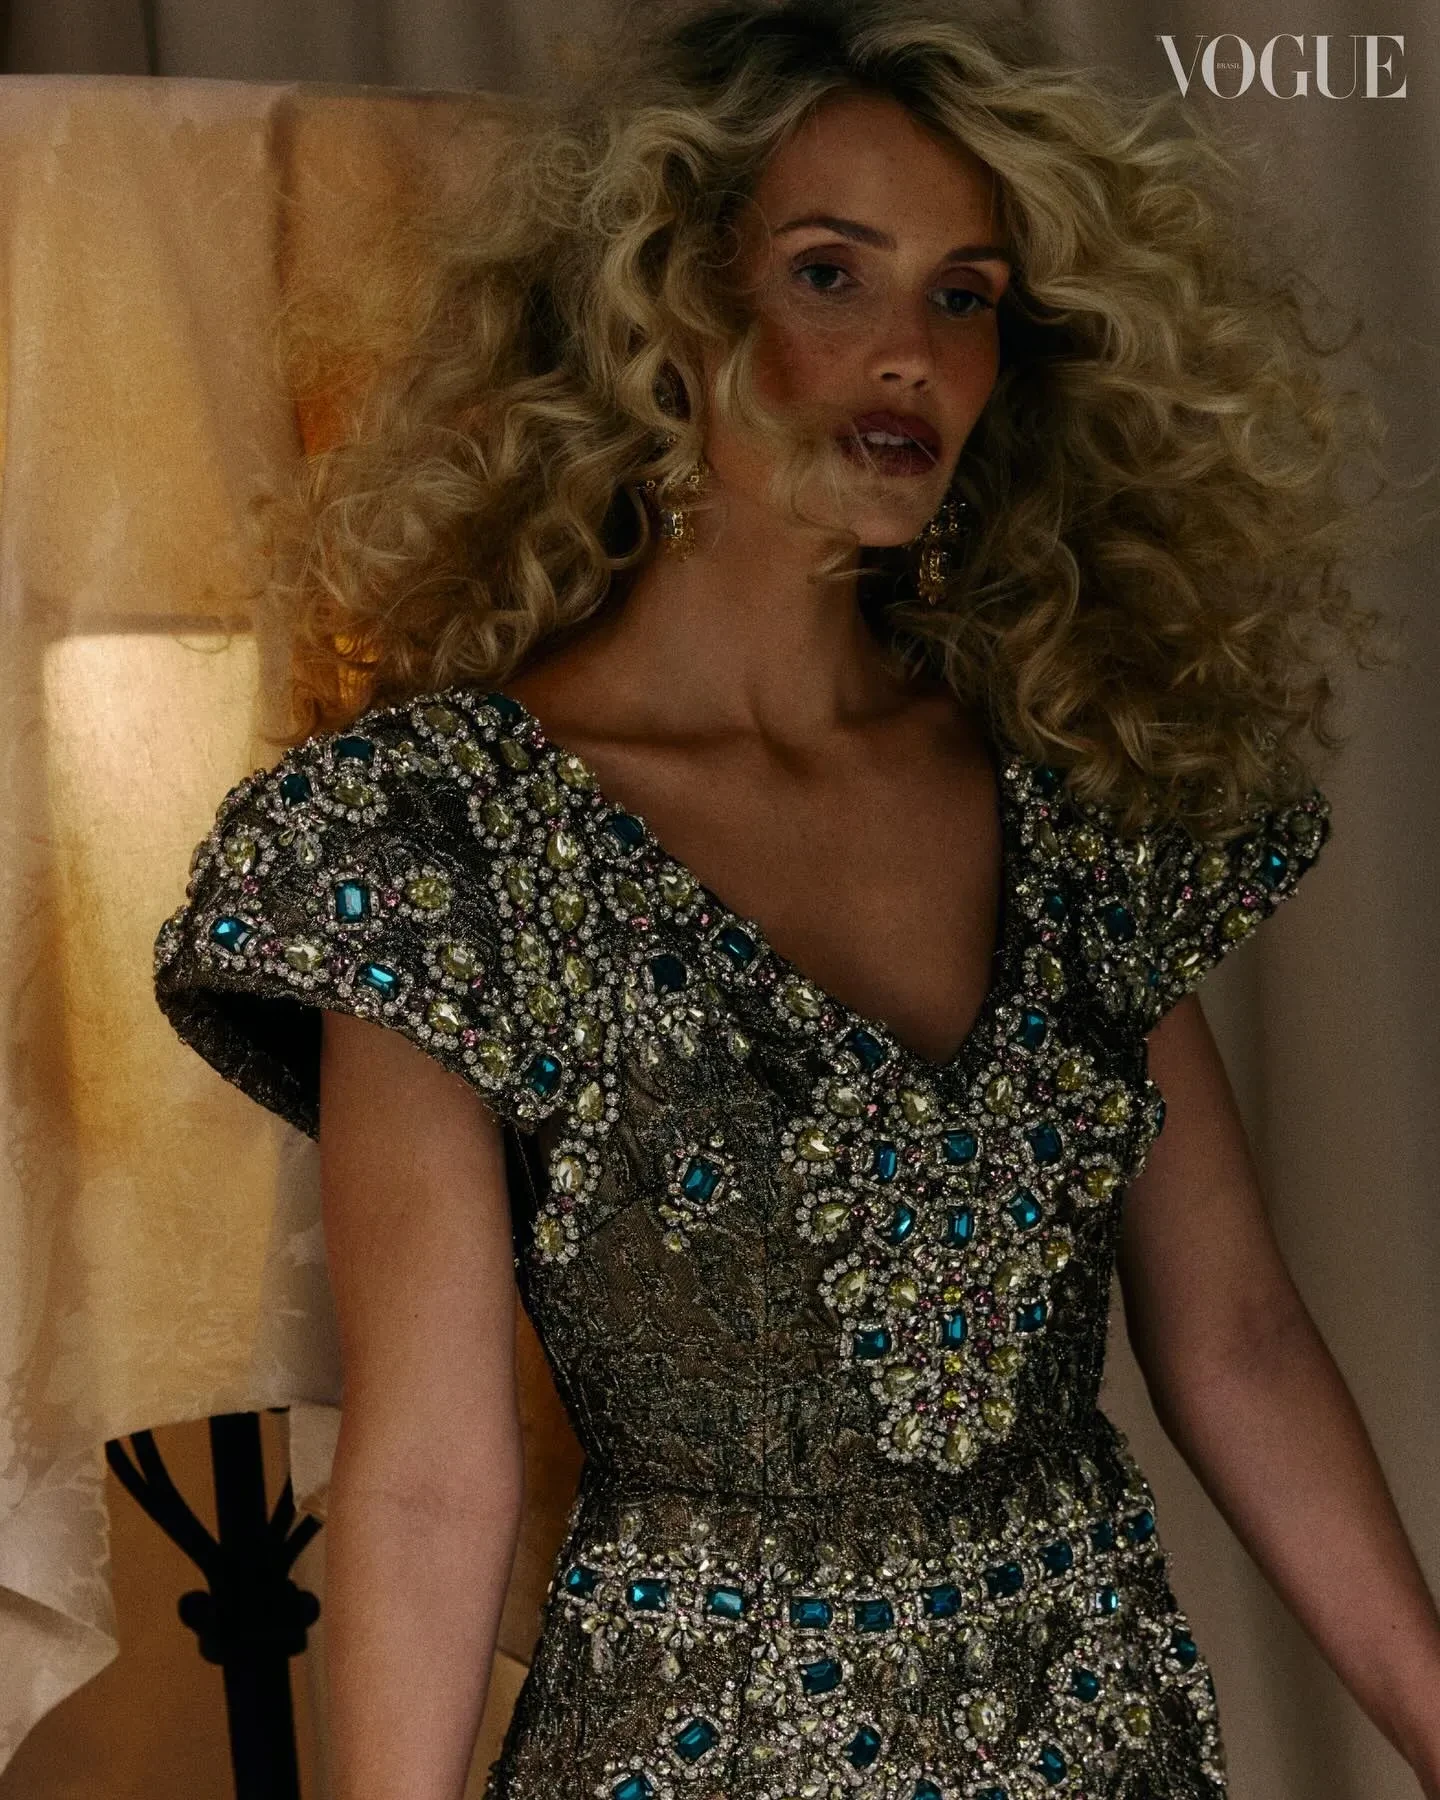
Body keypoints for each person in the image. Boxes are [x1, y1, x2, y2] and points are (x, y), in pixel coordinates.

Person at [152, 2, 1440, 1797]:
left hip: (1098, 1743)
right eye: (833, 274)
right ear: (666, 310)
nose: (910, 354)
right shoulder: (433, 842)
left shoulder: (1069, 788)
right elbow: (433, 1477)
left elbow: (1239, 1341)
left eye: (964, 296)